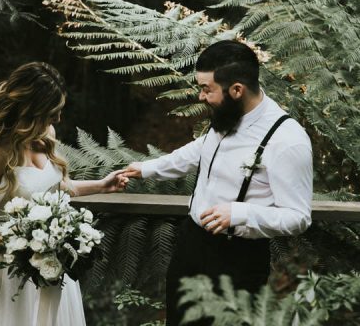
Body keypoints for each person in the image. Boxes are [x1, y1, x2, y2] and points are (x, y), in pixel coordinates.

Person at [121, 40, 313, 325]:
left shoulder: (288, 141)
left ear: (237, 90)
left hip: (238, 261)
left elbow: (298, 217)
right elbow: (202, 149)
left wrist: (239, 213)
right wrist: (146, 169)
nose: (201, 97)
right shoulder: (227, 113)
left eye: (206, 89)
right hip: (191, 244)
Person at [0, 62, 128, 326]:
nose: (57, 119)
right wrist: (23, 248)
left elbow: (51, 188)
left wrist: (101, 185)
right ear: (31, 109)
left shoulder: (47, 134)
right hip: (13, 269)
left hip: (53, 265)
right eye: (52, 112)